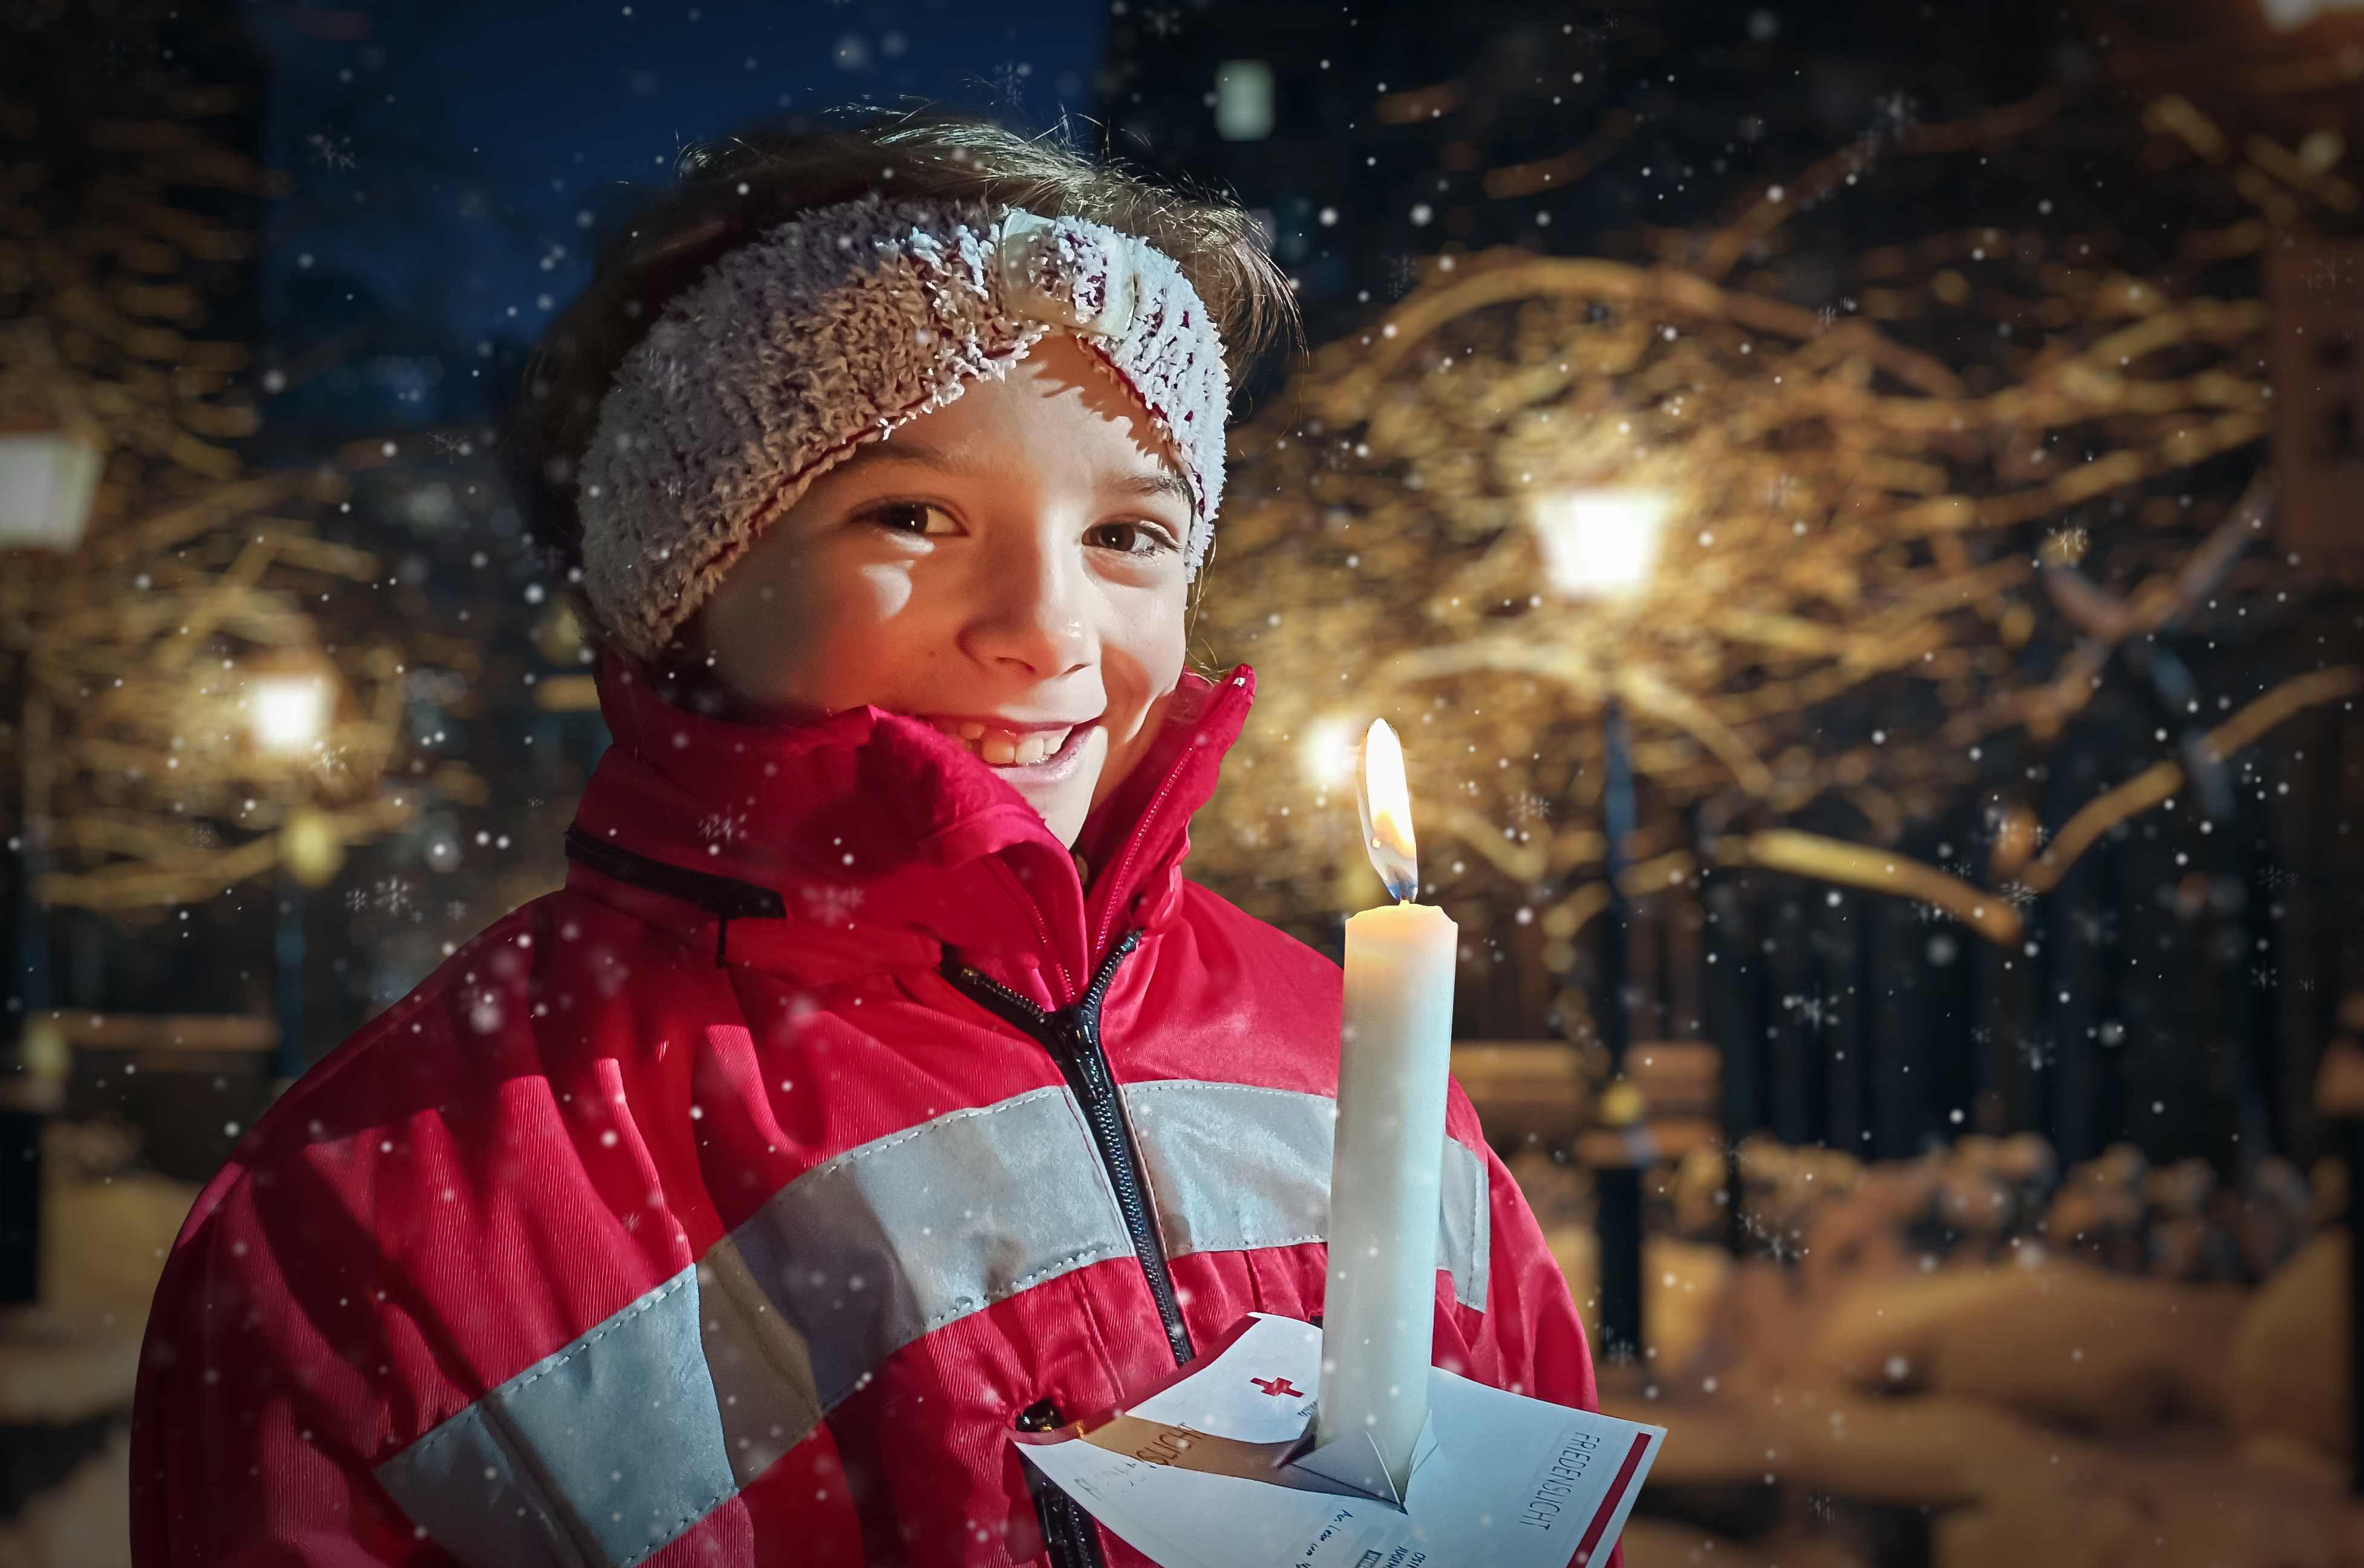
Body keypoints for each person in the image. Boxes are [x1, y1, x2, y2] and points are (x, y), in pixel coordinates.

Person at [131, 113, 1607, 1568]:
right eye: (910, 514)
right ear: (685, 584)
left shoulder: (1332, 1053)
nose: (1047, 631)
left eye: (1129, 537)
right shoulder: (381, 1206)